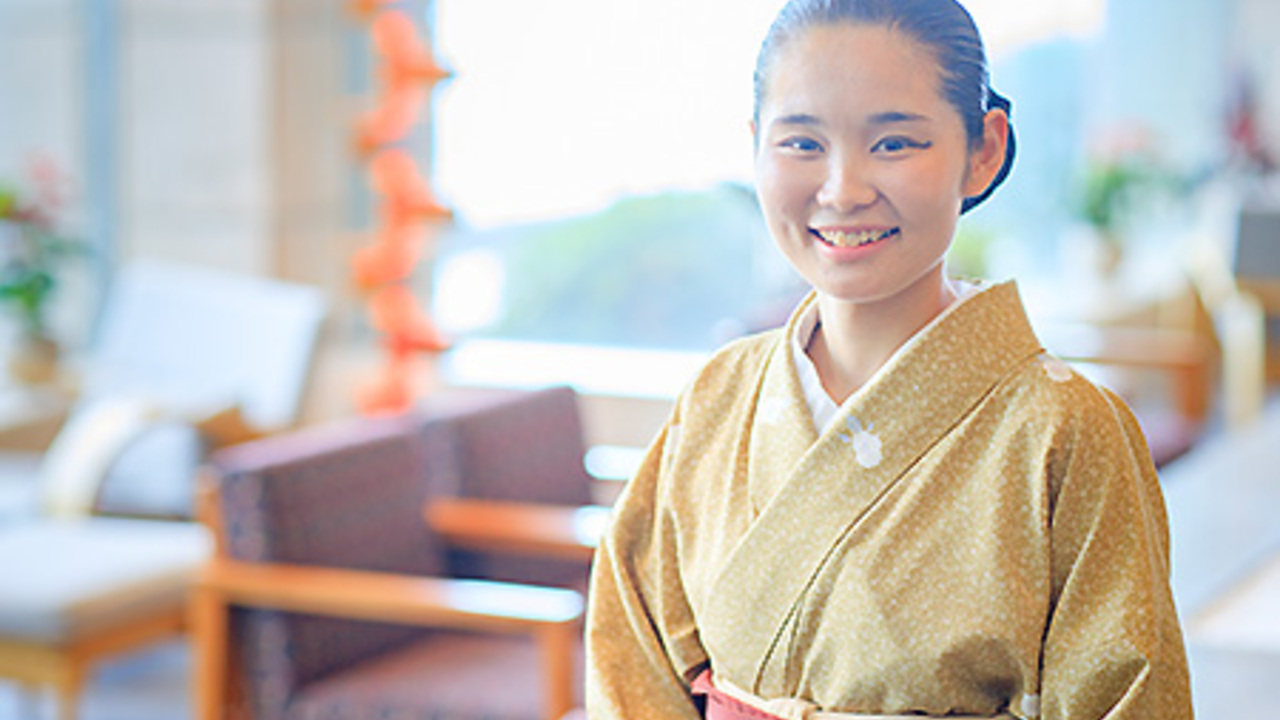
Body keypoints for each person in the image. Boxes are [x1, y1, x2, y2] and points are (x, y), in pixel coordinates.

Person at [583, 0, 1193, 718]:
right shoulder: (718, 394)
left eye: (894, 143)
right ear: (755, 147)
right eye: (802, 144)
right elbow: (632, 657)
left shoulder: (1067, 430)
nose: (843, 190)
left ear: (983, 149)